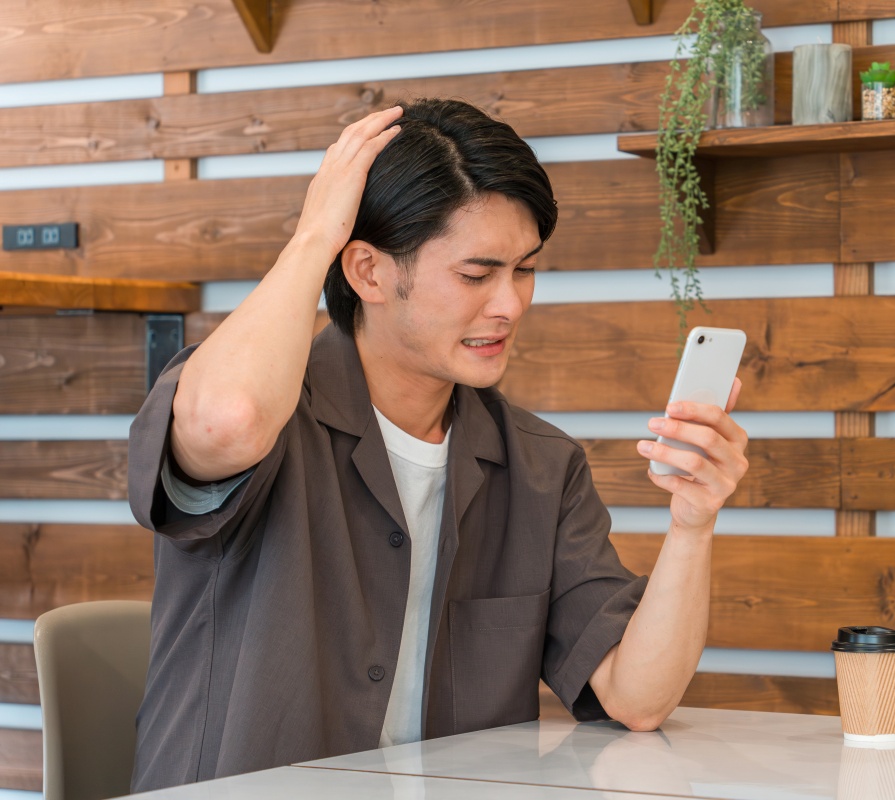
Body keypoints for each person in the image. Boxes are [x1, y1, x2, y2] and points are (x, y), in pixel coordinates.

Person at [126, 98, 749, 792]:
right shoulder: (257, 409)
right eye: (476, 275)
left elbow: (636, 698)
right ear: (367, 271)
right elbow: (228, 421)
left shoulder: (541, 466)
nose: (509, 304)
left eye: (526, 270)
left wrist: (693, 523)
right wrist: (314, 238)